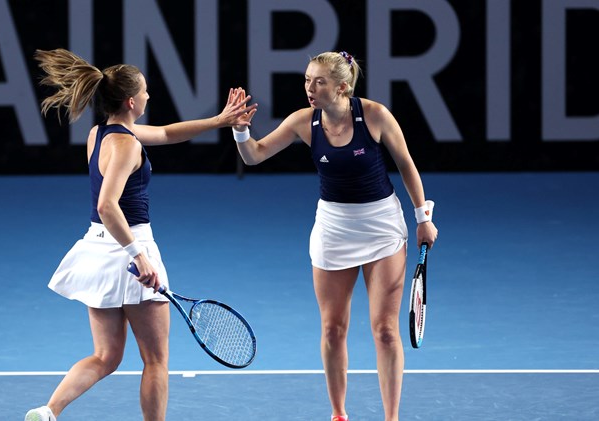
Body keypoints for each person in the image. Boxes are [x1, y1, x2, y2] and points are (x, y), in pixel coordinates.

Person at [24, 48, 256, 421]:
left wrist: (220, 120)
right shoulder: (128, 145)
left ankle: (48, 411)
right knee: (156, 360)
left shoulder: (100, 134)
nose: (149, 96)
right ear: (132, 101)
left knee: (105, 356)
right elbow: (107, 205)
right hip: (130, 248)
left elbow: (165, 133)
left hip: (96, 250)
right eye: (146, 91)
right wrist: (138, 255)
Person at [231, 51, 438, 421]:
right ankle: (339, 413)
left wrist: (423, 218)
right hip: (333, 228)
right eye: (307, 80)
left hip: (382, 228)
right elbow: (254, 156)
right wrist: (241, 130)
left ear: (342, 86)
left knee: (386, 330)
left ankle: (391, 418)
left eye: (319, 81)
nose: (309, 88)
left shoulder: (374, 115)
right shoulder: (302, 122)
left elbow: (406, 163)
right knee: (332, 328)